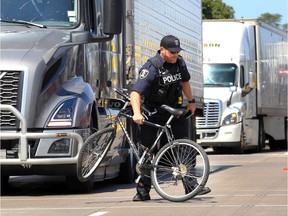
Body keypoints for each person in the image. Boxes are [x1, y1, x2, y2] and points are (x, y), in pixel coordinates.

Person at [130, 35, 211, 201]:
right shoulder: (152, 67)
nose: (175, 55)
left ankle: (190, 185)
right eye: (172, 52)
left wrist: (191, 101)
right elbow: (135, 92)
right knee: (146, 150)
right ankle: (143, 190)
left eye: (177, 51)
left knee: (184, 147)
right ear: (162, 50)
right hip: (153, 111)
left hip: (173, 109)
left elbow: (185, 82)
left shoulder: (180, 63)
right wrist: (137, 113)